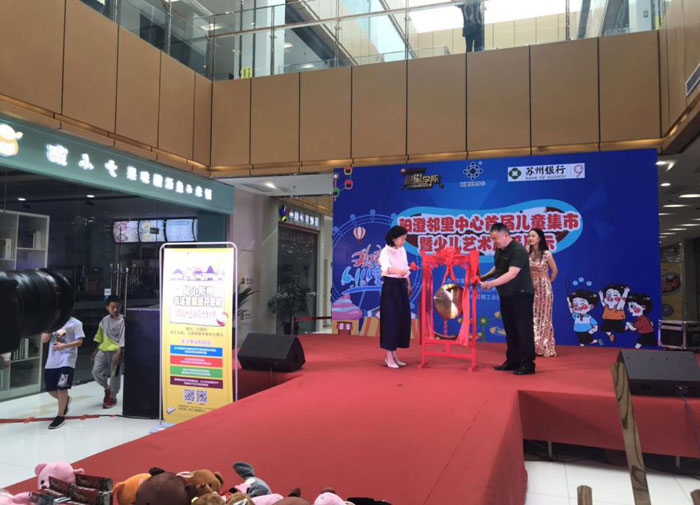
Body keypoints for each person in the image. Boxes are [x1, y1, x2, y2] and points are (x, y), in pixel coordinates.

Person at [480, 223, 536, 375]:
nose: (494, 242)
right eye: (492, 239)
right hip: (506, 295)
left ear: (505, 235)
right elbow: (498, 268)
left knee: (523, 330)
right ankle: (512, 361)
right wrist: (484, 277)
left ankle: (528, 364)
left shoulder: (518, 251)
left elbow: (512, 273)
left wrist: (490, 284)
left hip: (521, 295)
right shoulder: (499, 249)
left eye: (495, 239)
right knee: (510, 330)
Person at [41, 316, 85, 429]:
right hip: (52, 360)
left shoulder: (76, 323)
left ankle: (60, 416)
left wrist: (64, 346)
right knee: (51, 389)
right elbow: (44, 340)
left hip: (67, 359)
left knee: (62, 387)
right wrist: (51, 326)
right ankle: (66, 400)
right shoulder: (52, 322)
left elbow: (79, 342)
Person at [378, 225, 412, 369]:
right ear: (393, 238)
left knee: (402, 320)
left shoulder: (402, 250)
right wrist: (400, 271)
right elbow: (387, 269)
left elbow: (406, 267)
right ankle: (388, 355)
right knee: (390, 320)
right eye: (402, 238)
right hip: (390, 286)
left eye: (405, 239)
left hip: (401, 284)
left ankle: (395, 353)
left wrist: (408, 284)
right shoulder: (385, 252)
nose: (404, 241)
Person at [527, 228, 558, 357]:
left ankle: (545, 346)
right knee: (532, 316)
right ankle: (532, 346)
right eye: (529, 236)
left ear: (540, 238)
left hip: (544, 289)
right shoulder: (526, 253)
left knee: (544, 317)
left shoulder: (547, 254)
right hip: (530, 288)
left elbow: (555, 271)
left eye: (533, 236)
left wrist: (547, 282)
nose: (530, 238)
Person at [92, 295, 125, 408]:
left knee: (115, 375)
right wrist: (95, 351)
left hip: (116, 352)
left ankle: (113, 396)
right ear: (107, 308)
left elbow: (123, 338)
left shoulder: (123, 321)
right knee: (96, 372)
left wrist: (119, 354)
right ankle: (107, 388)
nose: (115, 309)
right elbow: (99, 336)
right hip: (102, 351)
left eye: (118, 307)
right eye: (113, 307)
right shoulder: (104, 320)